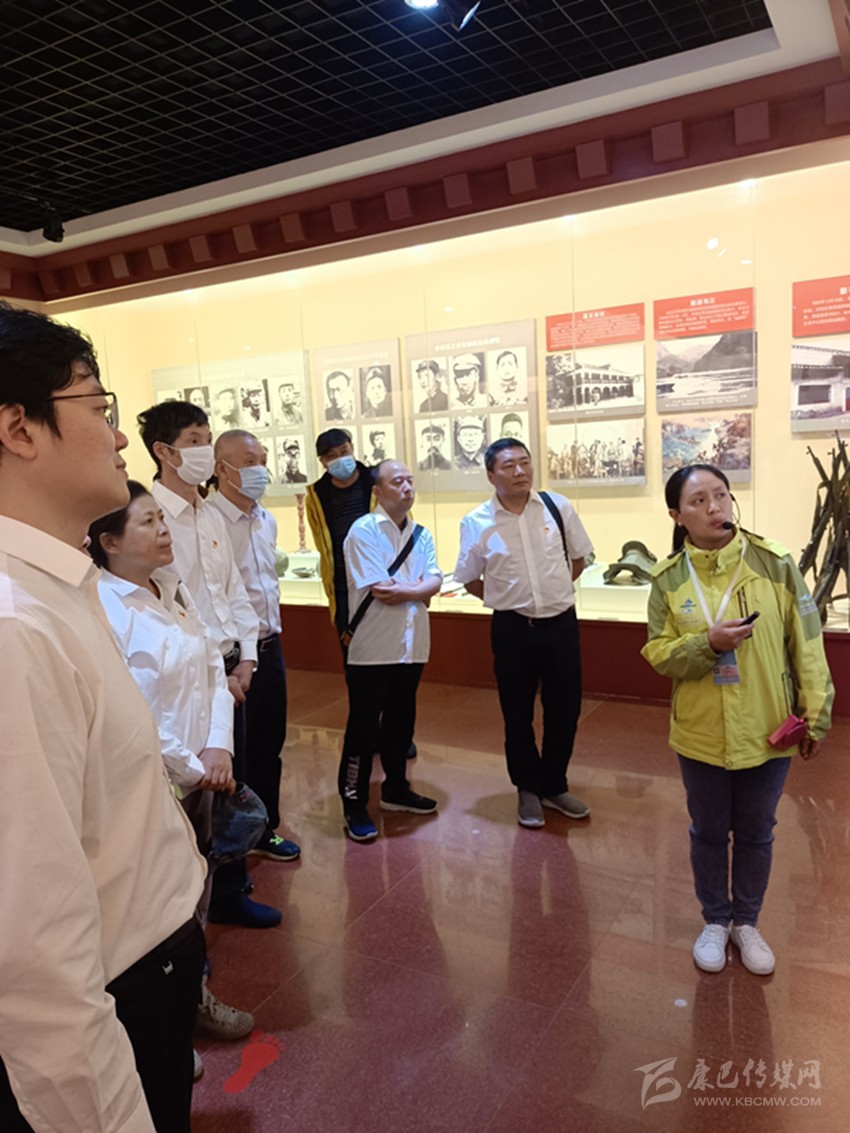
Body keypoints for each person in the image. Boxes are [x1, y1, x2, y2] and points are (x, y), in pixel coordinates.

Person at [0, 303, 206, 1133]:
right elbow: (36, 947)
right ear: (19, 427)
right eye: (99, 405)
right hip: (121, 989)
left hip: (151, 965)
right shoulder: (16, 625)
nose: (121, 437)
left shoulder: (62, 586)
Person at [87, 483, 255, 1071]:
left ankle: (191, 999)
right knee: (150, 916)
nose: (164, 530)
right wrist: (195, 764)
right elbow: (130, 711)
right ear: (109, 542)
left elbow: (212, 666)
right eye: (147, 522)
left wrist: (219, 744)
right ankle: (160, 1035)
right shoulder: (102, 609)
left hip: (199, 779)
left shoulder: (170, 589)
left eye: (163, 518)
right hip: (151, 785)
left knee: (193, 895)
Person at [641, 464, 833, 976]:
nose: (714, 508)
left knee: (757, 831)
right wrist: (706, 644)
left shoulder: (774, 564)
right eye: (698, 501)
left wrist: (815, 714)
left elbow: (807, 642)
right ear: (677, 516)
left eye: (721, 495)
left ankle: (746, 922)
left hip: (766, 729)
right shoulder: (667, 579)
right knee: (707, 831)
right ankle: (714, 920)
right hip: (699, 732)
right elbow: (659, 654)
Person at [137, 399, 282, 930]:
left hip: (231, 666)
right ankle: (189, 909)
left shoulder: (209, 512)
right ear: (165, 451)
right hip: (190, 674)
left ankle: (226, 890)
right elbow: (168, 609)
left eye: (205, 436)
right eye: (194, 441)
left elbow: (233, 593)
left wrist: (247, 659)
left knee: (231, 780)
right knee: (195, 790)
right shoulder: (149, 518)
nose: (203, 450)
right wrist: (217, 674)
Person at [454, 438, 594, 828]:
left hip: (561, 624)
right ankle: (528, 788)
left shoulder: (557, 507)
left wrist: (550, 593)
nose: (519, 472)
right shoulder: (477, 521)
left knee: (565, 710)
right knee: (517, 713)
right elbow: (469, 579)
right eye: (509, 465)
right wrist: (509, 598)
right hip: (512, 629)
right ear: (490, 475)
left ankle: (555, 784)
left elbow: (578, 559)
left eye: (525, 463)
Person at [338, 460, 442, 841]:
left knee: (401, 722)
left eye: (410, 481)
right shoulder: (363, 531)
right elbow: (382, 590)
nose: (407, 487)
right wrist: (420, 589)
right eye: (397, 482)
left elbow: (435, 579)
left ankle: (396, 789)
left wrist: (413, 589)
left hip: (412, 645)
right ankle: (353, 801)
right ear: (377, 492)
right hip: (372, 647)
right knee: (364, 730)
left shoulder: (421, 533)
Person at [210, 430, 301, 863]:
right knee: (235, 752)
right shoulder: (210, 522)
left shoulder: (266, 519)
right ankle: (230, 844)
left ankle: (265, 828)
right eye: (249, 461)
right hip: (233, 656)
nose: (260, 470)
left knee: (269, 743)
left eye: (263, 460)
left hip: (270, 645)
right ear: (221, 468)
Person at [305, 428, 373, 645]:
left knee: (384, 650)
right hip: (343, 585)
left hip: (380, 580)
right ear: (323, 462)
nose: (340, 459)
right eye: (332, 456)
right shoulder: (316, 495)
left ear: (352, 448)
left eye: (344, 451)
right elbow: (321, 542)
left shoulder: (375, 481)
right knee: (351, 652)